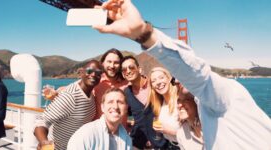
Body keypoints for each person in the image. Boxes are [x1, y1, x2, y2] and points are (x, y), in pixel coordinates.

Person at [93, 0, 271, 149]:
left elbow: (198, 76)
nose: (178, 80)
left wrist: (144, 33)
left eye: (178, 78)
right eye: (177, 79)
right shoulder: (191, 112)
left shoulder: (224, 97)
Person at [34, 60, 103, 150]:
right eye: (89, 71)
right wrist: (44, 142)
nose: (93, 74)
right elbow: (42, 121)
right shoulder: (70, 96)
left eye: (98, 73)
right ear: (82, 72)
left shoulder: (91, 94)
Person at [121, 56, 170, 149]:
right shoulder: (127, 93)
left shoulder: (155, 85)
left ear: (139, 69)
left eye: (131, 67)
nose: (128, 71)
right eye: (124, 70)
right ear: (123, 75)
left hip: (166, 141)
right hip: (143, 143)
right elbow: (131, 115)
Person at [67, 87, 132, 150]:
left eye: (120, 102)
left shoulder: (127, 139)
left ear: (126, 108)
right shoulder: (86, 134)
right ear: (102, 107)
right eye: (110, 102)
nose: (115, 106)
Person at [149, 67, 180, 148]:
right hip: (170, 145)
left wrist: (168, 131)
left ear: (169, 78)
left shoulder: (180, 100)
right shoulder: (160, 103)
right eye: (154, 81)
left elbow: (196, 133)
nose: (158, 82)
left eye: (161, 78)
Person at [93, 48, 128, 119]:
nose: (112, 66)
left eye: (116, 63)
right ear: (102, 63)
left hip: (121, 129)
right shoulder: (95, 82)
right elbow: (79, 88)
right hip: (99, 129)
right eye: (109, 61)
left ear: (121, 65)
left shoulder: (128, 84)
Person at [176, 83, 204, 150]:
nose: (180, 105)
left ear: (196, 102)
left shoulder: (209, 126)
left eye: (186, 100)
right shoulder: (181, 132)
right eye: (178, 101)